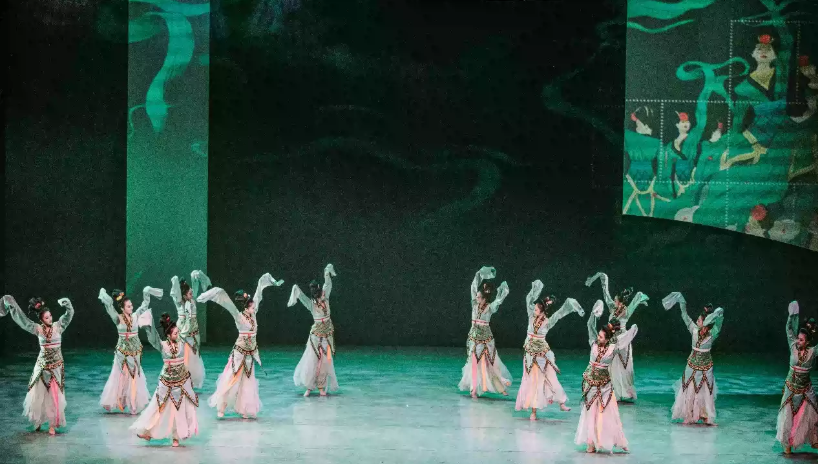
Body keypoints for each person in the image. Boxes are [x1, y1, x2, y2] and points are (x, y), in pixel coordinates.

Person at [197, 273, 284, 418]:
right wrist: (211, 295)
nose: (254, 308)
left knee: (247, 380)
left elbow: (259, 291)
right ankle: (222, 406)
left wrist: (271, 281)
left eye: (254, 306)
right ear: (246, 308)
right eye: (252, 307)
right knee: (232, 377)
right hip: (239, 352)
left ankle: (244, 408)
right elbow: (227, 303)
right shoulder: (239, 316)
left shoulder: (253, 314)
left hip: (250, 353)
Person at [1, 295, 75, 435]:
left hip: (56, 367)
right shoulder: (37, 328)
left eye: (50, 316)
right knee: (38, 394)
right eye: (46, 318)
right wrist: (11, 304)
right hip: (41, 366)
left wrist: (66, 303)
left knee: (54, 395)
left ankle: (52, 424)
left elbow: (69, 314)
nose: (50, 319)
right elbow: (22, 320)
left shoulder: (58, 326)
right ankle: (38, 421)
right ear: (41, 319)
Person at [515, 279, 584, 420]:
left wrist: (571, 305)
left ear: (542, 311)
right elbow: (528, 299)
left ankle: (561, 402)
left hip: (542, 353)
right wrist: (536, 288)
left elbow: (559, 314)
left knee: (550, 378)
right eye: (534, 308)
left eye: (536, 309)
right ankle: (533, 411)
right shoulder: (530, 316)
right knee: (533, 381)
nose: (534, 310)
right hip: (530, 354)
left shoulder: (547, 321)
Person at [575, 301, 637, 454]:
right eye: (598, 335)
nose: (598, 338)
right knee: (590, 411)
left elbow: (625, 340)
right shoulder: (593, 344)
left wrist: (631, 331)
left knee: (607, 412)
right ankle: (591, 442)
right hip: (590, 382)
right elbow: (590, 325)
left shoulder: (613, 348)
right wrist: (593, 314)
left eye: (601, 337)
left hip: (604, 385)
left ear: (608, 339)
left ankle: (618, 440)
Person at [130, 313, 199, 447]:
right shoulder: (162, 345)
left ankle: (176, 437)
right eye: (175, 333)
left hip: (182, 380)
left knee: (180, 408)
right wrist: (148, 325)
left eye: (178, 332)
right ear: (168, 335)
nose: (178, 335)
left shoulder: (181, 341)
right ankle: (147, 432)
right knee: (158, 406)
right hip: (166, 381)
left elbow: (187, 328)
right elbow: (153, 337)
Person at [98, 286, 162, 414]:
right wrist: (105, 297)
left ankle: (133, 403)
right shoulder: (118, 318)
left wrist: (146, 292)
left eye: (131, 305)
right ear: (122, 308)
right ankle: (118, 400)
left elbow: (145, 304)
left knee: (134, 376)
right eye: (128, 306)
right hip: (122, 351)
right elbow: (109, 307)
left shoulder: (135, 315)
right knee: (119, 375)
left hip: (135, 351)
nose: (131, 307)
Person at [585, 272, 648, 402]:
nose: (613, 302)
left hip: (623, 340)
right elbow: (605, 292)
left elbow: (635, 302)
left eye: (615, 300)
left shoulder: (626, 311)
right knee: (611, 366)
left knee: (625, 367)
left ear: (620, 302)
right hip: (612, 340)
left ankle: (626, 392)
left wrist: (640, 300)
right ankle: (612, 391)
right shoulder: (612, 308)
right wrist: (601, 277)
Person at [663, 292, 724, 425]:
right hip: (692, 365)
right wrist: (682, 303)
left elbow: (719, 322)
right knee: (689, 389)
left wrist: (717, 313)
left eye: (699, 320)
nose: (697, 322)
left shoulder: (712, 334)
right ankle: (689, 415)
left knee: (706, 390)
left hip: (706, 366)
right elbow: (685, 316)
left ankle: (706, 416)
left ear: (705, 323)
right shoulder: (694, 330)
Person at [458, 266, 512, 398]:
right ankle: (473, 389)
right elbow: (473, 287)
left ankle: (500, 386)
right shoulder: (474, 305)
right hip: (473, 338)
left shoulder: (490, 307)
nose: (476, 298)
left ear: (484, 299)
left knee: (490, 363)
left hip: (486, 339)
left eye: (478, 297)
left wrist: (502, 292)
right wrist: (479, 274)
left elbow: (498, 301)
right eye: (476, 296)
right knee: (474, 363)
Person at [288, 264, 339, 396]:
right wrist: (296, 290)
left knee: (327, 361)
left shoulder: (325, 296)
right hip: (315, 336)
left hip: (328, 335)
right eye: (317, 296)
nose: (320, 297)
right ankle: (310, 386)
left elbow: (328, 284)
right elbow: (301, 296)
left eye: (320, 294)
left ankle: (321, 386)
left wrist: (327, 272)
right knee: (312, 360)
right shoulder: (311, 304)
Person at [776, 301, 818, 454]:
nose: (798, 341)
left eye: (801, 340)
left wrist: (814, 329)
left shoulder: (813, 352)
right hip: (790, 388)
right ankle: (786, 447)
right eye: (798, 338)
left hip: (805, 389)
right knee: (786, 417)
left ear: (807, 342)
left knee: (812, 414)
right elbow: (788, 329)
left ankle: (813, 440)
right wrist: (791, 316)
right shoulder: (793, 345)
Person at [170, 270, 211, 388]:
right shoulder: (179, 303)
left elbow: (195, 286)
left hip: (193, 334)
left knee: (193, 359)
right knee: (183, 358)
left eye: (191, 292)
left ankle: (190, 383)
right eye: (189, 293)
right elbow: (176, 292)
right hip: (183, 334)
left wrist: (196, 276)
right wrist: (175, 282)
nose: (192, 293)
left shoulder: (192, 301)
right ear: (184, 295)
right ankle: (181, 382)